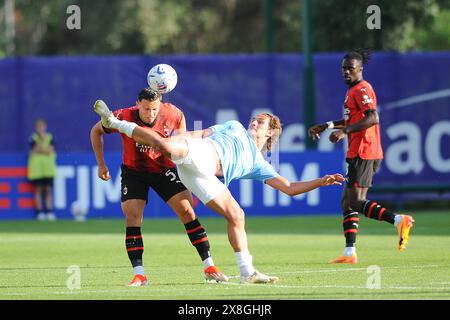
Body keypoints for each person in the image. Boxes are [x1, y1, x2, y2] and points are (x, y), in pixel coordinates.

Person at [94, 99, 345, 283]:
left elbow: (289, 188)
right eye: (255, 119)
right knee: (163, 144)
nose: (254, 121)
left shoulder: (258, 163)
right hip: (200, 152)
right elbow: (201, 133)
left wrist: (320, 181)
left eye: (261, 122)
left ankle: (247, 272)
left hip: (201, 177)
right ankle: (114, 122)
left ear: (271, 132)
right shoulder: (235, 126)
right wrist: (179, 140)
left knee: (237, 215)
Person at [90, 88, 228, 287]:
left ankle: (209, 267)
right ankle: (140, 275)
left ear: (160, 104)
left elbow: (183, 139)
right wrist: (101, 165)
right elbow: (96, 131)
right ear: (137, 104)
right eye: (146, 109)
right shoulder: (123, 115)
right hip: (134, 172)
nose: (151, 113)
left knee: (188, 212)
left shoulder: (173, 113)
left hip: (165, 170)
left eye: (154, 109)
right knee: (132, 217)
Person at [307, 48, 415, 264]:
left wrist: (344, 132)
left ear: (360, 69)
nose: (346, 72)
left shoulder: (362, 89)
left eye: (351, 68)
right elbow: (351, 118)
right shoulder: (352, 90)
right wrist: (326, 126)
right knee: (347, 202)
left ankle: (399, 220)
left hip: (364, 150)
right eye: (344, 68)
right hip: (358, 150)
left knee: (356, 201)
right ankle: (350, 253)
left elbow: (372, 118)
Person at [27, 118, 57, 221]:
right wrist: (42, 142)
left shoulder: (50, 137)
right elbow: (35, 150)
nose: (41, 129)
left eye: (42, 126)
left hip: (48, 169)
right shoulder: (33, 138)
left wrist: (42, 149)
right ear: (36, 128)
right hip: (37, 170)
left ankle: (49, 211)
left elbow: (50, 150)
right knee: (38, 190)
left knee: (48, 190)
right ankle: (39, 212)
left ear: (45, 127)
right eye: (39, 127)